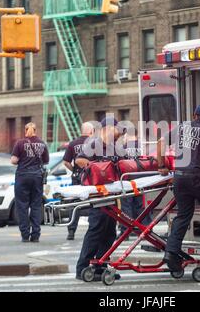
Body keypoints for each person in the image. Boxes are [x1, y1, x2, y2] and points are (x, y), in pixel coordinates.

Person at [157, 104, 200, 272]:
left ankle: (171, 253)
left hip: (179, 177)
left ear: (194, 115)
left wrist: (161, 165)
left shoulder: (182, 128)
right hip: (197, 177)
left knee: (183, 215)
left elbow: (161, 142)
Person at [74, 116, 121, 281]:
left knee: (109, 232)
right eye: (116, 128)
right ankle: (82, 268)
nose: (119, 132)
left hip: (111, 193)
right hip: (99, 194)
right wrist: (95, 169)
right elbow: (79, 160)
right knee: (96, 229)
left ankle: (100, 266)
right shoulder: (94, 144)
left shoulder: (114, 147)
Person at [11, 122, 49, 243]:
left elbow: (14, 160)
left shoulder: (20, 143)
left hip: (22, 176)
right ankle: (36, 235)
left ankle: (25, 235)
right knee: (36, 205)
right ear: (35, 130)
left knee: (22, 205)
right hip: (37, 176)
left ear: (25, 130)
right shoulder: (42, 144)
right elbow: (46, 161)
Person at [118, 127, 152, 240]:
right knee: (140, 206)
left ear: (127, 135)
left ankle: (125, 232)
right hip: (141, 181)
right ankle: (145, 229)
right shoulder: (142, 147)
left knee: (126, 207)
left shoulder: (122, 148)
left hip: (127, 181)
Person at [62, 122, 94, 240]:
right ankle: (93, 229)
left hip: (76, 176)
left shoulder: (73, 144)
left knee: (74, 204)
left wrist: (74, 169)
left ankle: (71, 232)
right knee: (93, 202)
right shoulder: (94, 143)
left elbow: (66, 162)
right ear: (91, 131)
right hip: (90, 177)